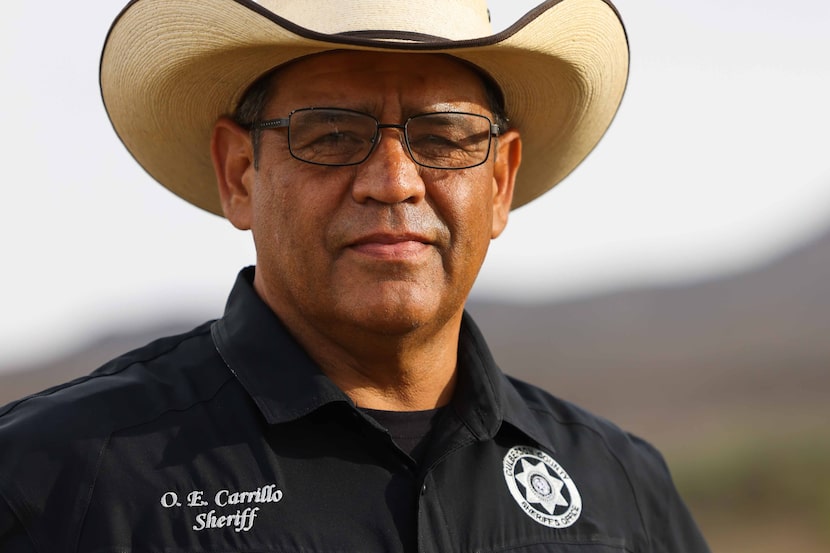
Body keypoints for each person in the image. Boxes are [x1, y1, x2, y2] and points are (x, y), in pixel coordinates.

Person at [0, 0, 710, 551]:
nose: (395, 181)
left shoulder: (622, 491)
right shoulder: (56, 478)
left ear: (499, 181)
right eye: (333, 134)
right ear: (240, 173)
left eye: (442, 137)